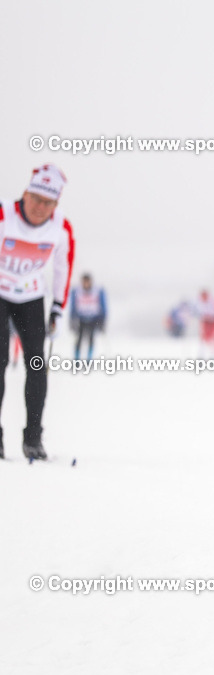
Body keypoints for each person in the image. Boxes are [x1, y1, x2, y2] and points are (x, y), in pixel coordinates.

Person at [0, 165, 75, 460]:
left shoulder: (60, 227)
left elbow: (62, 268)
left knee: (36, 365)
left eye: (48, 203)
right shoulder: (5, 215)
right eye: (36, 199)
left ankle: (33, 437)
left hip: (31, 297)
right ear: (25, 194)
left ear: (56, 205)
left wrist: (57, 306)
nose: (40, 208)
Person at [69, 273, 107, 361]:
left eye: (87, 282)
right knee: (79, 339)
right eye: (84, 282)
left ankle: (89, 360)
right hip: (81, 319)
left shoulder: (97, 291)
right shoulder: (77, 291)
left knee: (91, 339)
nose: (86, 284)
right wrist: (72, 319)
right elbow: (73, 306)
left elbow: (103, 305)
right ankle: (77, 360)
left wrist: (103, 319)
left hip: (93, 319)